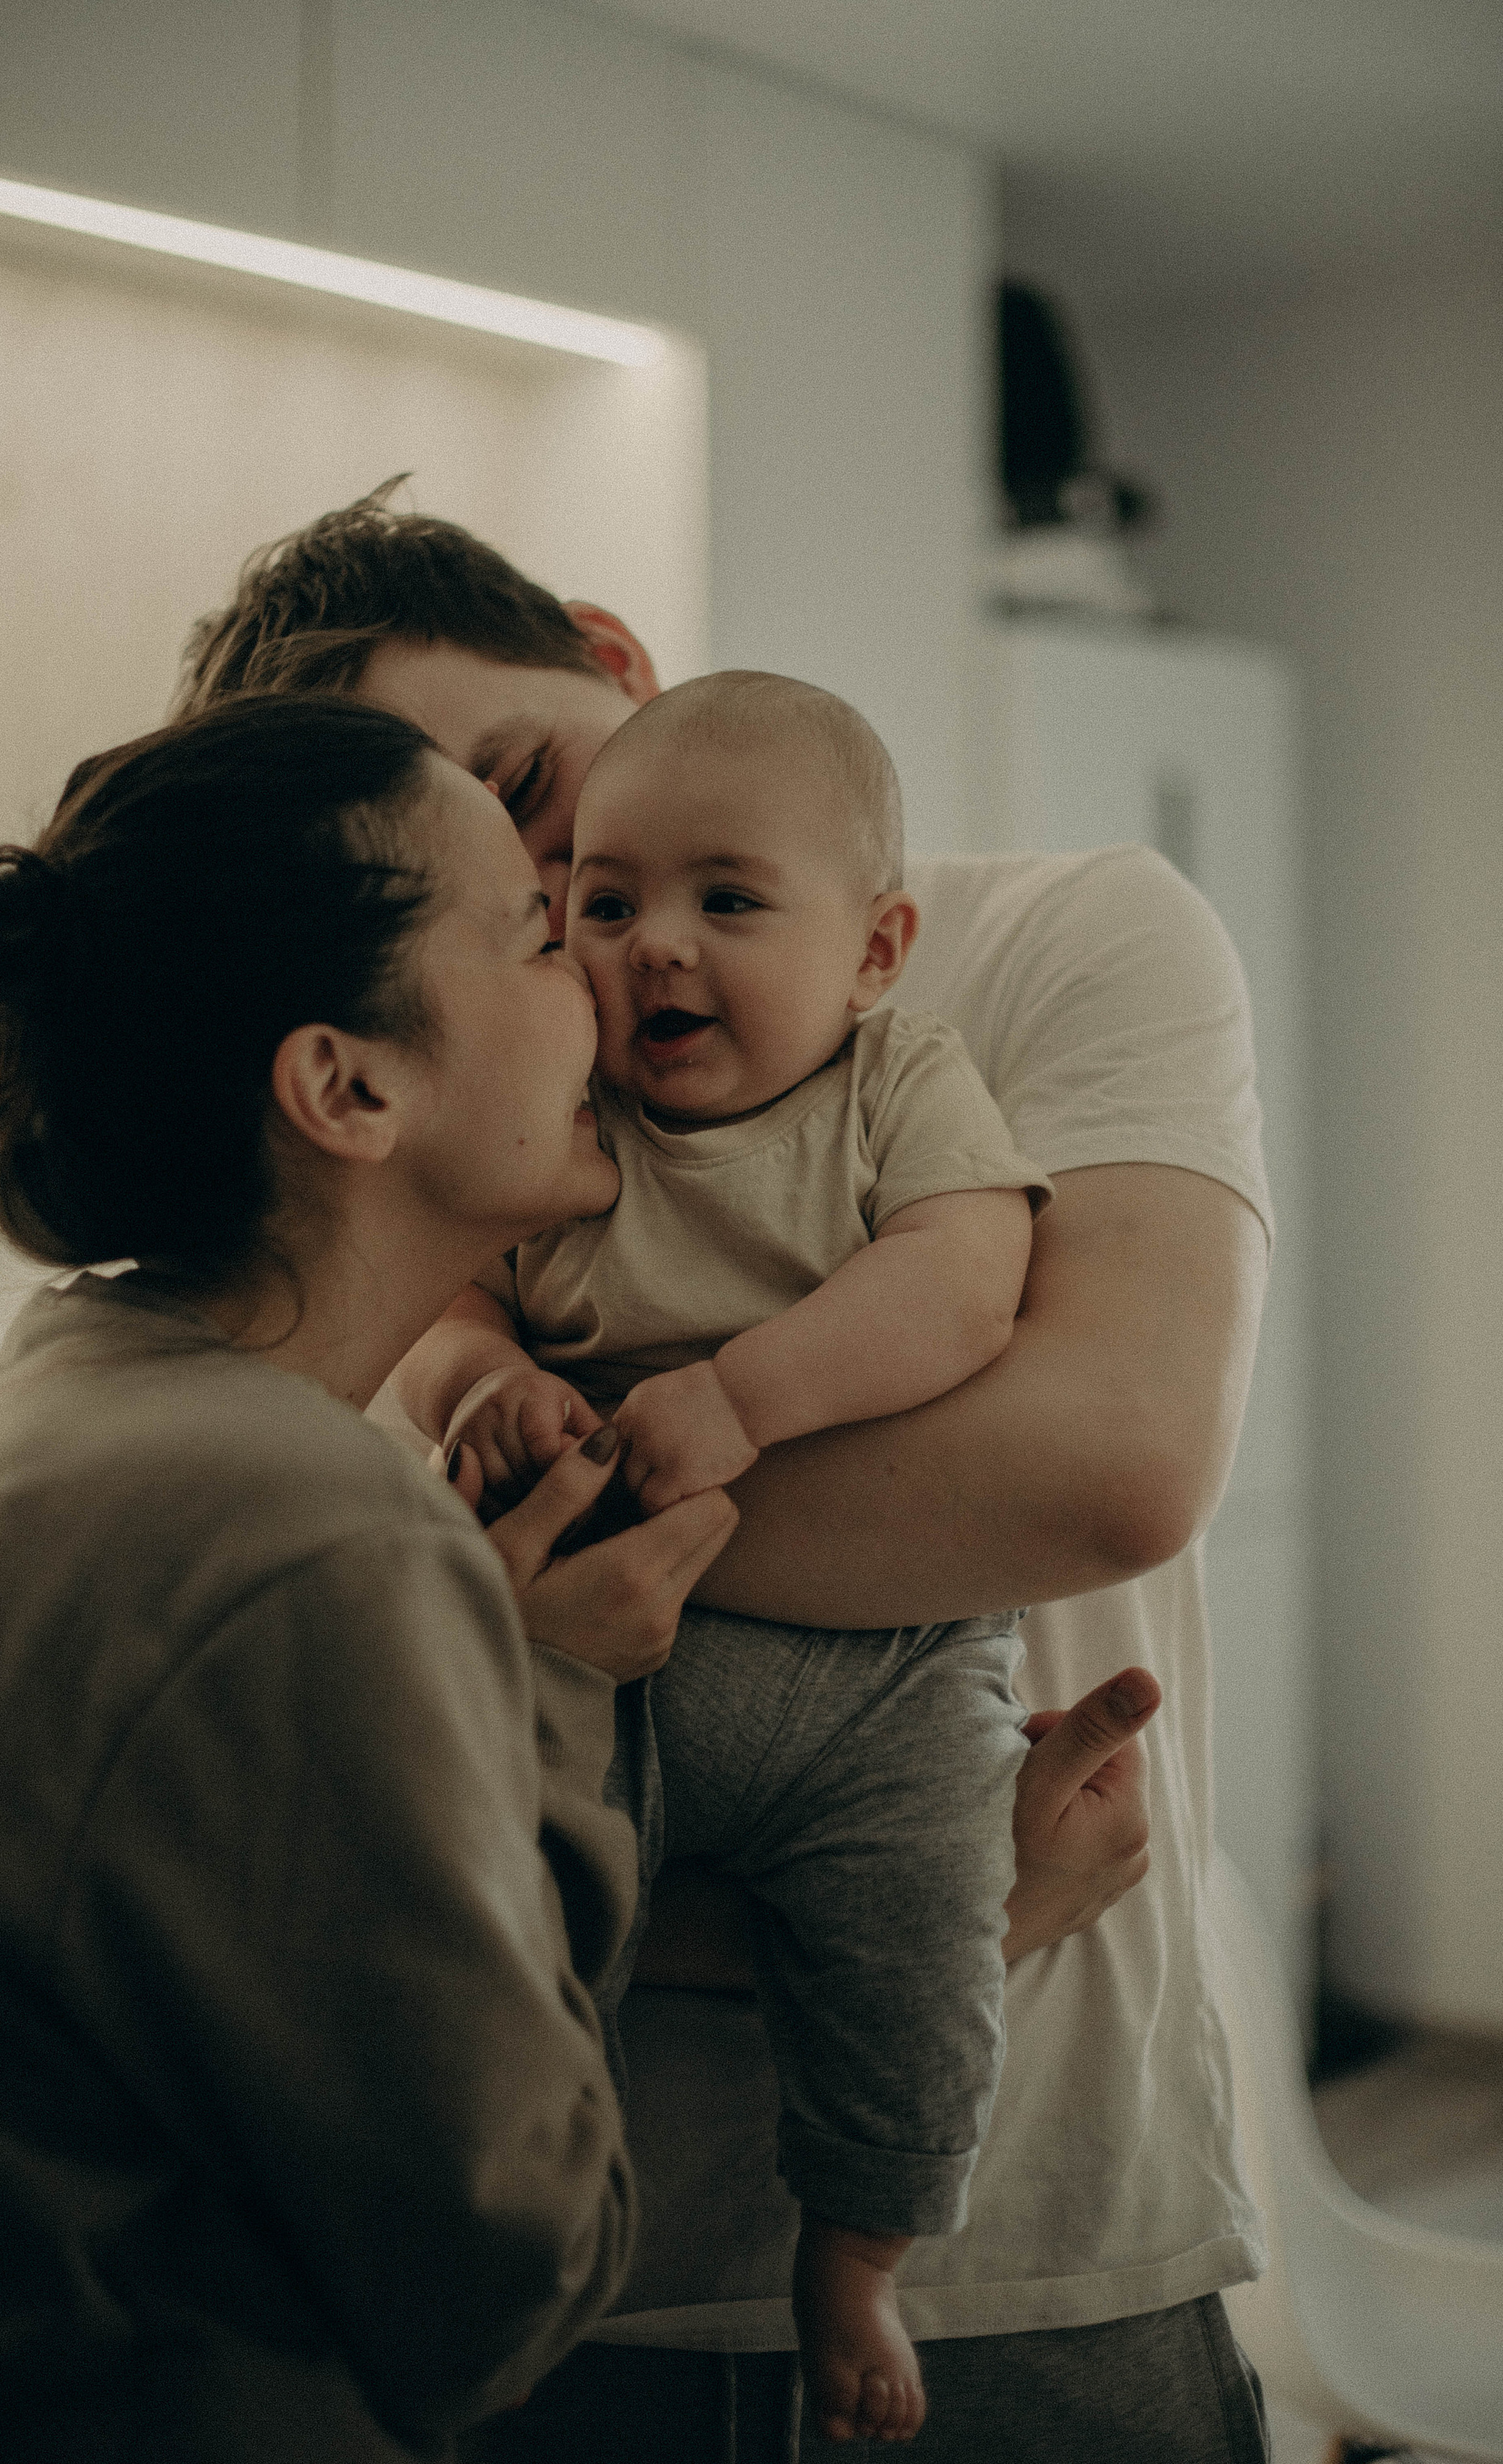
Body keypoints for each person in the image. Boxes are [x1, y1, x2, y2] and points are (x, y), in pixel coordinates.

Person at [174, 489, 1274, 2463]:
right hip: (555, 2290)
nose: (562, 913)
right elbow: (386, 1741)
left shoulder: (1055, 946)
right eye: (448, 864)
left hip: (1028, 2254)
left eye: (524, 783)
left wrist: (569, 1525)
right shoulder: (440, 1067)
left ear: (613, 657)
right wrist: (947, 1900)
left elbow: (1101, 1466)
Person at [0, 693, 742, 2461]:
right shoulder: (302, 1526)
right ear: (348, 1083)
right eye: (528, 928)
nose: (595, 969)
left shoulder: (29, 1421)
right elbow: (508, 2273)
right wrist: (543, 1691)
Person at [405, 668, 1053, 2443]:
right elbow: (441, 1292)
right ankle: (524, 2242)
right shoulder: (568, 1113)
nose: (655, 949)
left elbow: (965, 1278)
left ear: (874, 947)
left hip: (891, 1677)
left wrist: (746, 1397)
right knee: (529, 1939)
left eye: (728, 901)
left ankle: (857, 2258)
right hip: (613, 1663)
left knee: (923, 1951)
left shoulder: (897, 1082)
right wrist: (487, 1381)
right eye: (604, 905)